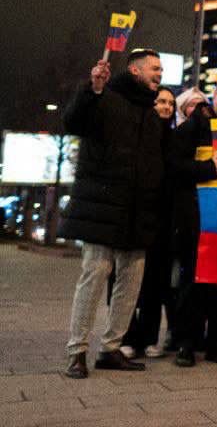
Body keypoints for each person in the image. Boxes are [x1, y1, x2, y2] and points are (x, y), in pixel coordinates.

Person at [60, 50, 168, 378]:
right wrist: (91, 88)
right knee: (95, 275)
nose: (160, 73)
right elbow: (73, 122)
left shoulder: (151, 114)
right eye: (155, 68)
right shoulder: (105, 99)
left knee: (130, 282)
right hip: (103, 208)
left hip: (138, 211)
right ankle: (77, 351)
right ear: (135, 70)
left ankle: (111, 348)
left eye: (161, 69)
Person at [171, 76, 217, 368]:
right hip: (197, 217)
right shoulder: (193, 126)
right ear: (213, 96)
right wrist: (211, 168)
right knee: (192, 281)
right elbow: (175, 166)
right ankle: (186, 343)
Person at [121, 86, 179, 359]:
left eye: (170, 102)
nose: (166, 106)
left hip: (163, 222)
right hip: (136, 217)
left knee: (156, 284)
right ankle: (127, 337)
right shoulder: (136, 133)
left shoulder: (177, 138)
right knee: (128, 282)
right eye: (161, 101)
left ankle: (149, 338)